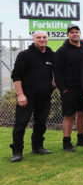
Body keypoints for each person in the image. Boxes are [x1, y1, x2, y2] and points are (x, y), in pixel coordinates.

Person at [9, 31, 55, 162]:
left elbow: (56, 73)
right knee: (21, 123)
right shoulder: (24, 55)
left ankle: (37, 147)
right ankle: (17, 151)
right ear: (33, 39)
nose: (42, 39)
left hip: (44, 97)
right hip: (27, 97)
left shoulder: (52, 55)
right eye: (38, 37)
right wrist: (20, 95)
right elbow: (16, 76)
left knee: (41, 122)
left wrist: (53, 85)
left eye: (44, 37)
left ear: (47, 39)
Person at [54, 25, 83, 151]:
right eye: (72, 32)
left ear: (80, 33)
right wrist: (63, 89)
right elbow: (57, 72)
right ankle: (67, 142)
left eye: (77, 32)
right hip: (69, 89)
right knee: (69, 115)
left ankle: (81, 138)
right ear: (68, 35)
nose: (75, 34)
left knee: (82, 114)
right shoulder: (62, 51)